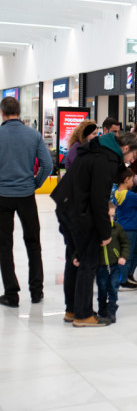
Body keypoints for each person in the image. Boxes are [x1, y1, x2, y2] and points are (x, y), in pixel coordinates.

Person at [52, 131, 137, 326]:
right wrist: (104, 232)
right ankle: (83, 314)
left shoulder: (101, 149)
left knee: (74, 259)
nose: (132, 161)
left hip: (67, 205)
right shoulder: (106, 159)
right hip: (78, 211)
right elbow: (99, 198)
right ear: (126, 148)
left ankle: (72, 309)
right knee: (88, 261)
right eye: (134, 156)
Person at [0, 97, 52, 308]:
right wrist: (34, 184)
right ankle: (36, 291)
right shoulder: (33, 135)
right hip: (26, 196)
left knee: (4, 245)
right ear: (19, 112)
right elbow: (47, 165)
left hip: (2, 196)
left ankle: (11, 294)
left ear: (2, 112)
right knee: (33, 242)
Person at [112, 168, 137, 290]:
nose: (133, 183)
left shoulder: (116, 193)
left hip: (126, 227)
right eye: (132, 180)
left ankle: (128, 275)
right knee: (129, 254)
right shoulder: (130, 195)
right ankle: (123, 280)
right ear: (126, 179)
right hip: (130, 229)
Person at [95, 202, 129, 323]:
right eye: (107, 216)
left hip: (114, 265)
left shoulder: (117, 228)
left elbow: (125, 243)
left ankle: (111, 309)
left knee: (113, 288)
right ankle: (102, 309)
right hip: (101, 267)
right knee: (102, 288)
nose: (110, 219)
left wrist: (123, 256)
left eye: (113, 216)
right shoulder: (95, 230)